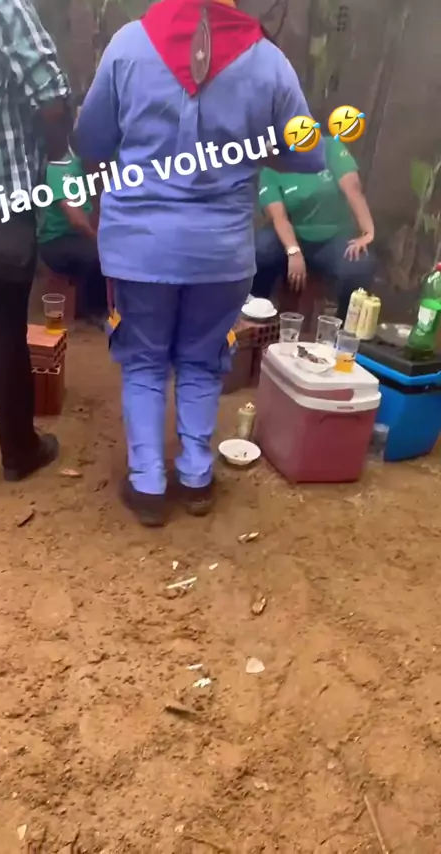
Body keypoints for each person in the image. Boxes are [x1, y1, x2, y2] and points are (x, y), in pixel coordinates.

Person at [75, 0, 326, 527]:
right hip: (221, 252)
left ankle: (147, 484)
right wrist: (251, 148)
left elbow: (90, 140)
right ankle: (196, 476)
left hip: (140, 247)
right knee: (202, 360)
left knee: (144, 362)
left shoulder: (129, 45)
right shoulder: (267, 60)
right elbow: (307, 154)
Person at [0, 0, 71, 481]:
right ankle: (19, 452)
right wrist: (54, 156)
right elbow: (52, 96)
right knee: (5, 331)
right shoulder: (0, 5)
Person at [252, 134, 376, 319]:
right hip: (293, 235)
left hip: (334, 235)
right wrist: (293, 251)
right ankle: (255, 310)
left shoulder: (329, 147)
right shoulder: (270, 170)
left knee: (359, 266)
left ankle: (344, 324)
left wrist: (368, 231)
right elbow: (279, 218)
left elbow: (353, 188)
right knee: (261, 249)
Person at [37, 97, 108, 327]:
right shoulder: (59, 167)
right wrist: (98, 238)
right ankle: (93, 310)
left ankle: (99, 305)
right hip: (57, 240)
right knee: (97, 254)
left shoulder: (79, 162)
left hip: (75, 234)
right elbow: (76, 219)